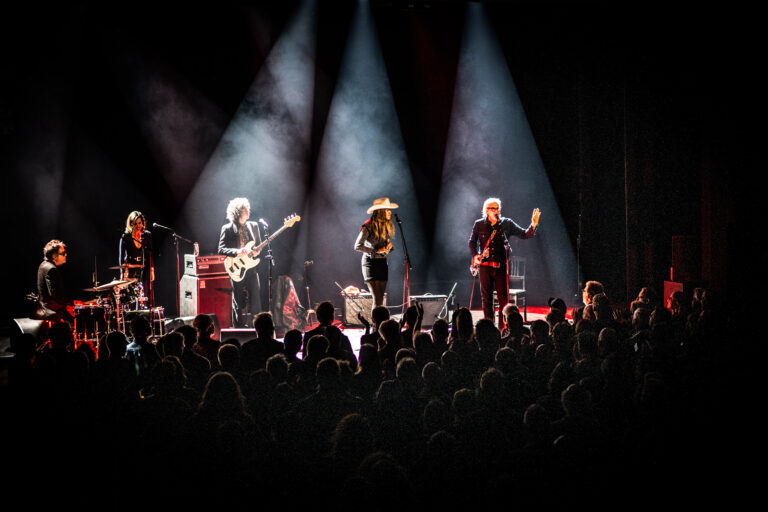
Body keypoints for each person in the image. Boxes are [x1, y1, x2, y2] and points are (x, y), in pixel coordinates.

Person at [468, 198, 540, 329]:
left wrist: (533, 225)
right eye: (492, 208)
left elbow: (524, 234)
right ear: (486, 210)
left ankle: (503, 329)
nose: (495, 210)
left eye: (497, 208)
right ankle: (488, 329)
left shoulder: (506, 223)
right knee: (486, 300)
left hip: (501, 267)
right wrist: (476, 256)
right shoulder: (479, 224)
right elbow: (471, 242)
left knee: (503, 301)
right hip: (485, 267)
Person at [218, 197, 262, 327]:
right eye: (245, 209)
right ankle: (239, 330)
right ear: (237, 212)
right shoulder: (228, 228)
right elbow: (221, 249)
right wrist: (237, 251)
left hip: (251, 269)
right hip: (236, 269)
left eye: (248, 208)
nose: (248, 210)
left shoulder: (254, 226)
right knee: (237, 302)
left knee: (256, 301)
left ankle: (258, 328)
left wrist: (256, 251)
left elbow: (258, 246)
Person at [354, 197, 398, 309]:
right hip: (370, 263)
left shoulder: (385, 226)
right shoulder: (367, 226)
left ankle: (378, 323)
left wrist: (389, 247)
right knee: (377, 298)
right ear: (380, 212)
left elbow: (385, 245)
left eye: (390, 210)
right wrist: (375, 251)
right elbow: (357, 246)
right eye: (387, 210)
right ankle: (376, 325)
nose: (390, 212)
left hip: (382, 262)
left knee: (381, 298)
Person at [118, 210, 154, 309]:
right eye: (136, 223)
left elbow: (150, 253)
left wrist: (152, 270)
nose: (138, 226)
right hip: (130, 270)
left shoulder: (147, 235)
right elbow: (121, 257)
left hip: (144, 269)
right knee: (131, 297)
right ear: (130, 224)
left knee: (143, 295)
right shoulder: (125, 237)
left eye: (140, 223)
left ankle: (143, 316)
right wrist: (122, 273)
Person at [35, 239, 73, 321]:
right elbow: (55, 295)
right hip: (52, 312)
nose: (65, 255)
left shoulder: (43, 265)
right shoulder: (52, 269)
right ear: (54, 256)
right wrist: (72, 303)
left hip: (43, 309)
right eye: (63, 254)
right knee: (74, 320)